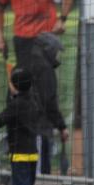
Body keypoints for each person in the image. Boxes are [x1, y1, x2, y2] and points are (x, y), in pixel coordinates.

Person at [0, 68, 42, 185]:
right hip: (33, 153)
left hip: (19, 154)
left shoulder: (15, 105)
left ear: (14, 86)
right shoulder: (34, 102)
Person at [29, 32, 68, 174]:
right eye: (56, 51)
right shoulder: (45, 69)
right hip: (39, 130)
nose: (57, 56)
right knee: (40, 175)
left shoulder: (24, 64)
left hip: (23, 131)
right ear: (48, 49)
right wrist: (62, 126)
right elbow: (49, 102)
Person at [0, 0, 75, 68]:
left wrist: (62, 19)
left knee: (45, 79)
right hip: (22, 38)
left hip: (47, 37)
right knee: (24, 80)